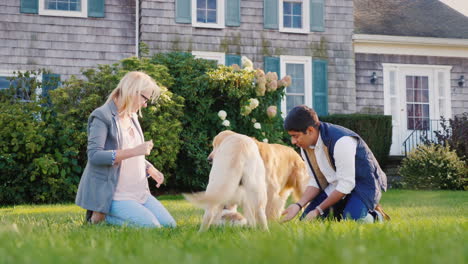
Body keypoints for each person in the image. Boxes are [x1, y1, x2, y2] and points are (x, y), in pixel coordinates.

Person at [75, 71, 176, 228]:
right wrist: (136, 151)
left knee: (170, 226)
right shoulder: (102, 116)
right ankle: (101, 216)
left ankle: (108, 217)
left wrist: (149, 168)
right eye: (145, 98)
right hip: (115, 195)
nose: (145, 104)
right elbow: (95, 155)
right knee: (153, 228)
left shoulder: (132, 116)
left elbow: (131, 154)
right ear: (132, 92)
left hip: (139, 192)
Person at [281, 105, 390, 223]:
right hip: (337, 185)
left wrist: (318, 210)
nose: (293, 141)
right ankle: (344, 210)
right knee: (306, 221)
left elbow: (346, 184)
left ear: (310, 130)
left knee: (350, 221)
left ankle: (376, 216)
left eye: (295, 136)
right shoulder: (306, 146)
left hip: (363, 185)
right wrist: (298, 205)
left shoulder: (341, 141)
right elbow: (315, 181)